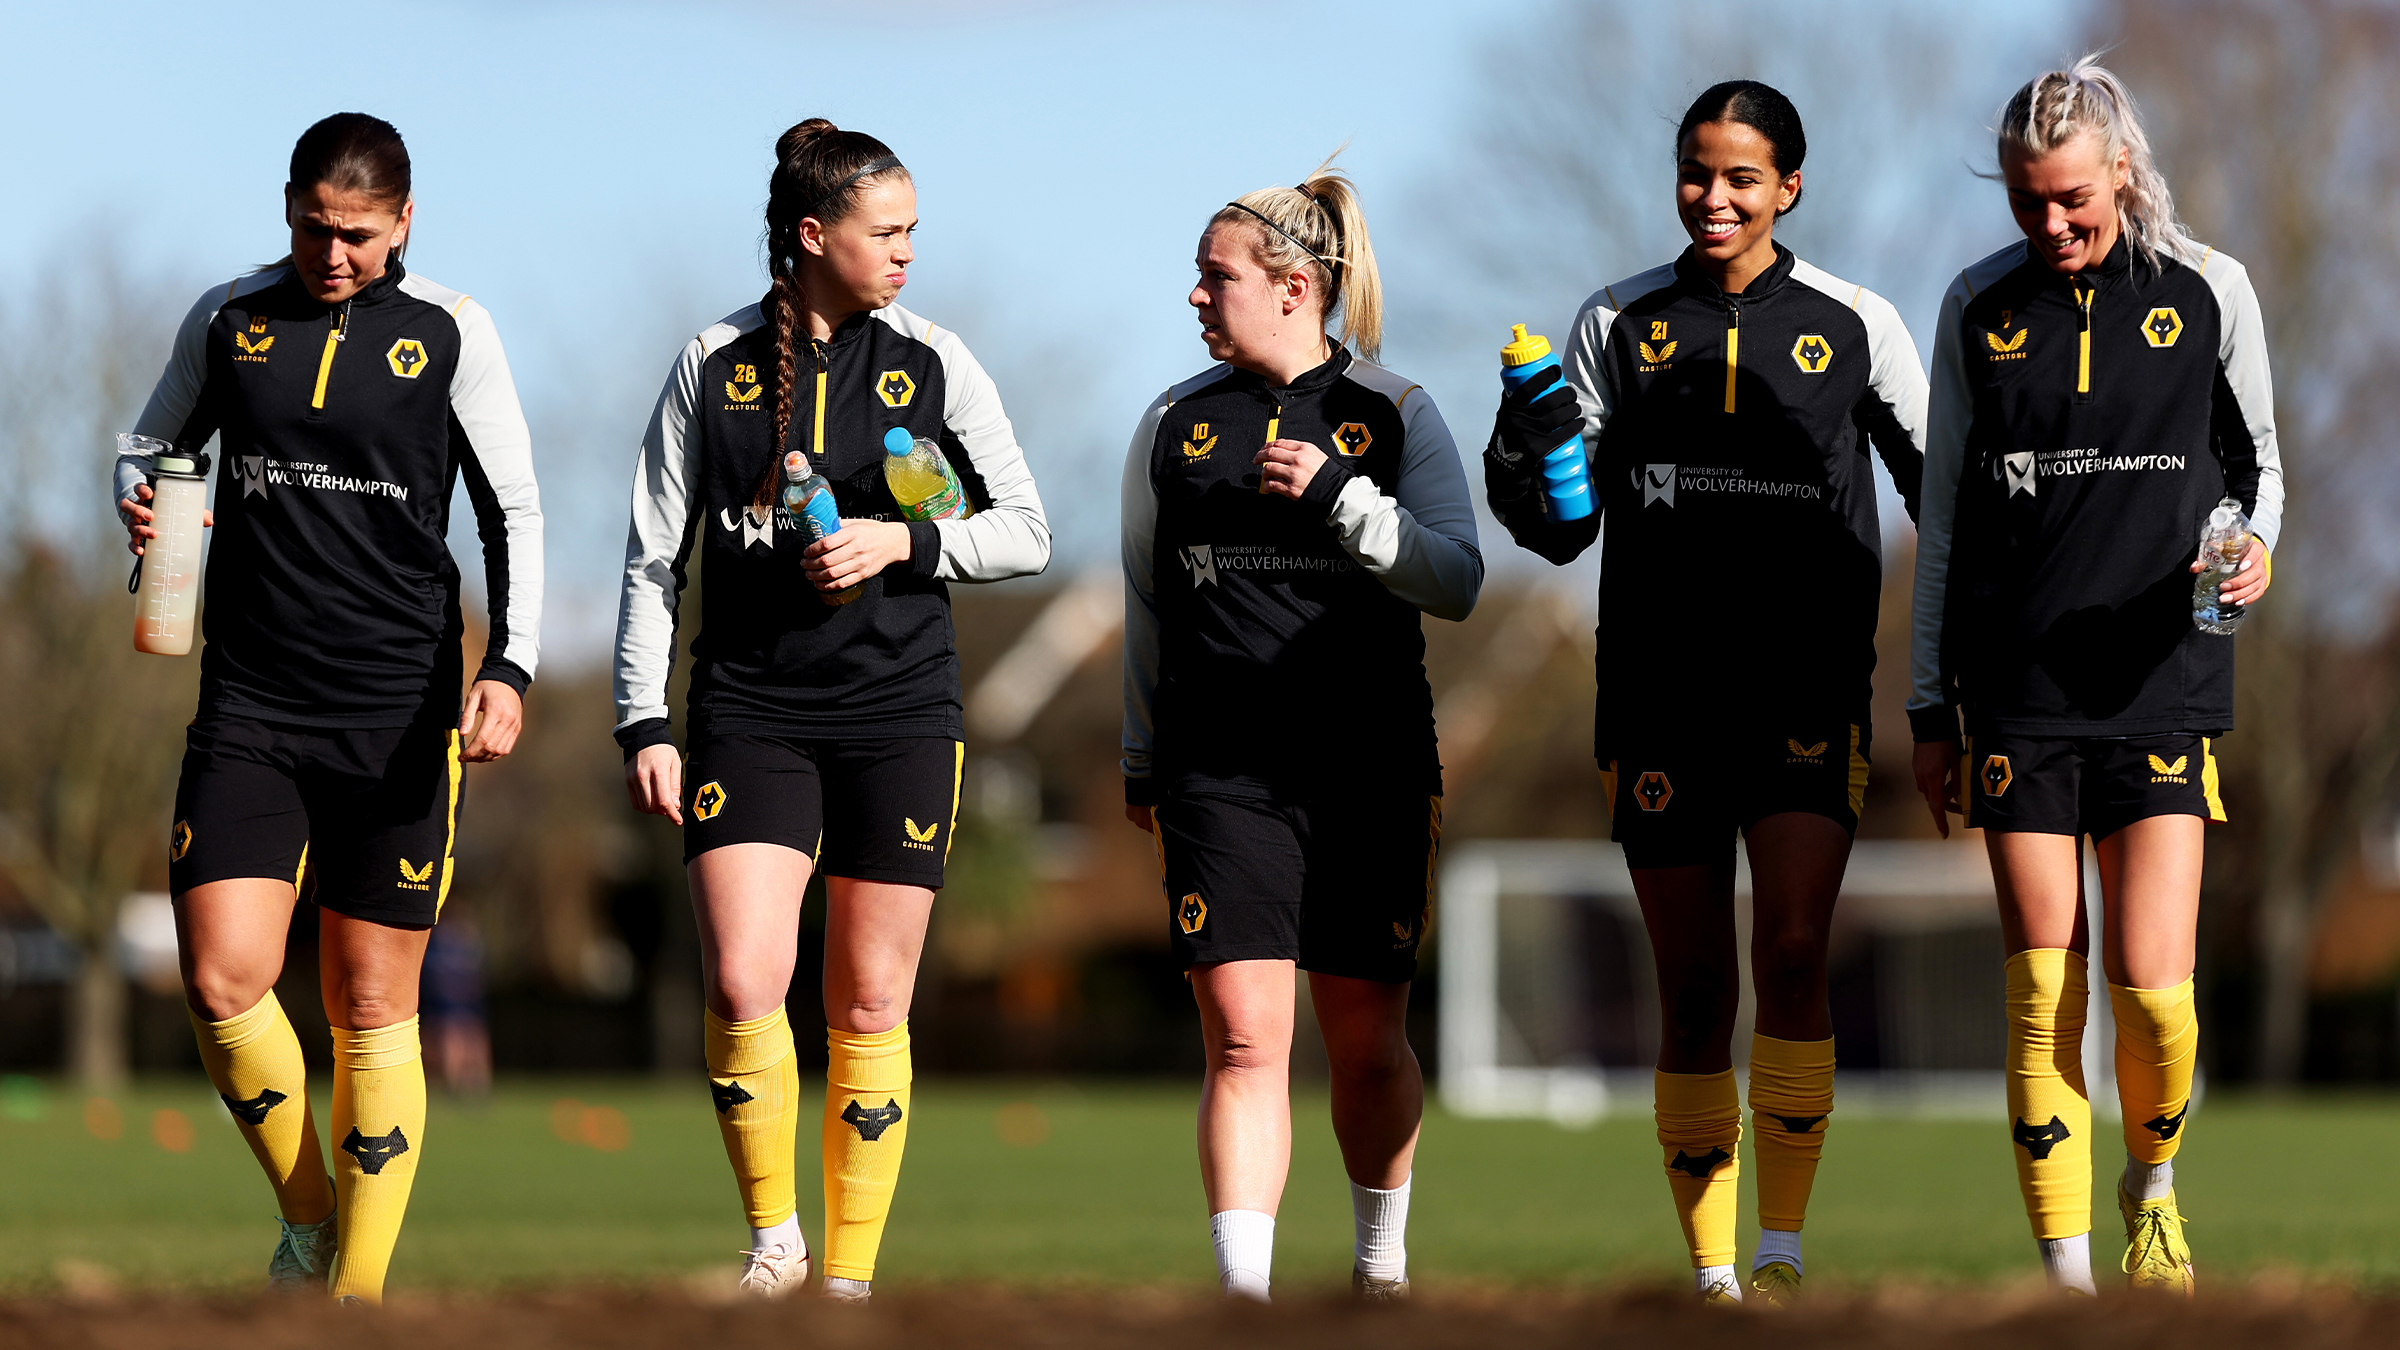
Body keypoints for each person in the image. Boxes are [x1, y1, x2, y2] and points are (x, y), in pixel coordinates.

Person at [1485, 82, 1926, 1304]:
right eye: (1695, 172)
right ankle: (1716, 1279)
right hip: (1659, 692)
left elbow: (1943, 503)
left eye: (1741, 176)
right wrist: (1520, 444)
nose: (1714, 197)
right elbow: (1559, 525)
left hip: (1807, 686)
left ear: (1790, 187)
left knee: (1790, 954)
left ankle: (1781, 1250)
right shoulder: (1616, 321)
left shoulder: (1855, 325)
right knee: (1688, 988)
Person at [615, 119, 1051, 1303]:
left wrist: (899, 543)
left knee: (867, 999)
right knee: (748, 981)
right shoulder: (712, 364)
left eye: (914, 230)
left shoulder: (935, 359)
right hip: (750, 707)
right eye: (887, 231)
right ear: (814, 236)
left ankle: (848, 1286)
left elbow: (1025, 529)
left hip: (902, 712)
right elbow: (654, 557)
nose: (910, 250)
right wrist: (640, 719)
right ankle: (775, 1242)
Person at [119, 112, 543, 1304]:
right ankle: (309, 1219)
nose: (334, 253)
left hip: (400, 713)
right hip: (251, 699)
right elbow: (147, 445)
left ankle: (354, 1302)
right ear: (288, 209)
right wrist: (138, 499)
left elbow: (513, 510)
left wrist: (508, 668)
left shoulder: (452, 332)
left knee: (370, 1002)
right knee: (221, 979)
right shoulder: (229, 317)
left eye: (358, 234)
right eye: (314, 228)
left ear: (405, 222)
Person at [1909, 56, 2279, 1296]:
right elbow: (1945, 526)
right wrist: (1927, 702)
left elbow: (2260, 468)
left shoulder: (2210, 291)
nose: (2052, 225)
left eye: (2071, 199)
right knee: (2040, 998)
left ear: (2121, 171)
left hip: (2165, 684)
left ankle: (2153, 1190)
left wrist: (2257, 548)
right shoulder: (1976, 307)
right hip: (2016, 695)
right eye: (2027, 203)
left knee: (2154, 996)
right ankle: (2069, 1289)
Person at [1121, 158, 1482, 1302]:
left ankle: (1380, 1274)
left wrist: (1342, 499)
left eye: (1211, 275)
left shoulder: (1396, 411)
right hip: (1219, 771)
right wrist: (1141, 751)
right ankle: (1246, 1301)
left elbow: (1458, 579)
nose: (1193, 296)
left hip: (1370, 767)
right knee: (1242, 1037)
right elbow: (1143, 602)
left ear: (1292, 285)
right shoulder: (1174, 422)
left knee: (1367, 1039)